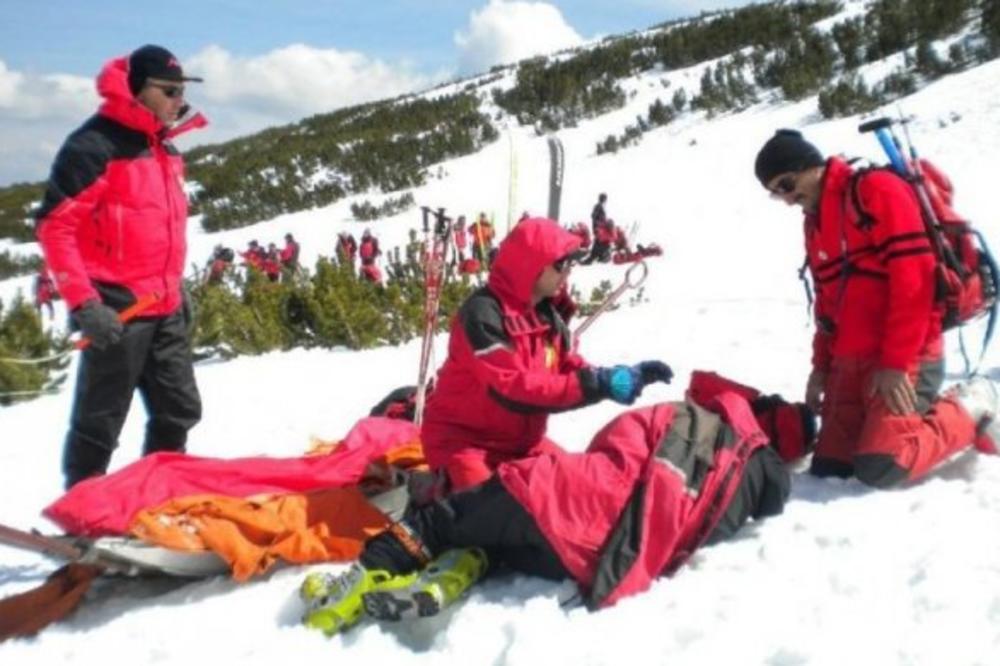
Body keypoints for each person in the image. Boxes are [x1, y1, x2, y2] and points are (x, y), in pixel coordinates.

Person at [299, 392, 791, 635]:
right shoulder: (735, 494)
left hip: (565, 499)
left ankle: (350, 588)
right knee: (493, 538)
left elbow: (615, 447)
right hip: (593, 556)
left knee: (440, 519)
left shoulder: (691, 423)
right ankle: (451, 574)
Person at [754, 129, 999, 488]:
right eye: (776, 194)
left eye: (787, 184)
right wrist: (821, 368)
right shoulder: (815, 222)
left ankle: (971, 404)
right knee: (830, 471)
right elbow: (826, 305)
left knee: (882, 466)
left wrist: (896, 363)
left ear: (812, 166)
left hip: (905, 357)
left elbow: (914, 283)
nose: (787, 199)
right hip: (850, 363)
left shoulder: (875, 191)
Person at [35, 45, 206, 489]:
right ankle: (84, 513)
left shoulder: (163, 147)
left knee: (179, 409)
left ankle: (155, 496)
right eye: (169, 91)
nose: (178, 101)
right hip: (115, 305)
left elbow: (158, 228)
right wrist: (85, 303)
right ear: (136, 90)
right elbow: (56, 228)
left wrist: (176, 288)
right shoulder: (93, 146)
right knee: (100, 421)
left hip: (163, 303)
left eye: (181, 92)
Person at [420, 217, 673, 492]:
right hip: (464, 445)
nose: (567, 273)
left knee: (584, 491)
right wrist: (595, 383)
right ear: (532, 265)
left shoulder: (546, 314)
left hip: (522, 445)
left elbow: (566, 367)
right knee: (491, 516)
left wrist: (615, 378)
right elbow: (511, 388)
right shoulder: (483, 314)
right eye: (561, 264)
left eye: (570, 265)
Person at [582, 193, 613, 264]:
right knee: (598, 242)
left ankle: (597, 257)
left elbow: (597, 217)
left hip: (600, 229)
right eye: (604, 199)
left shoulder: (600, 206)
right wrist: (599, 224)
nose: (605, 200)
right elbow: (593, 216)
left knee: (600, 242)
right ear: (603, 199)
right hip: (598, 229)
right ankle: (591, 258)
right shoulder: (598, 206)